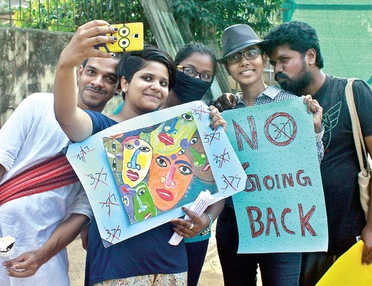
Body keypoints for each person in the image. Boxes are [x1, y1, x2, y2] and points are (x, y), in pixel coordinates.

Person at [52, 20, 226, 285]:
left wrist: (206, 219)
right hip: (113, 269)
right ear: (124, 83)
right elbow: (66, 116)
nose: (156, 86)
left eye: (163, 82)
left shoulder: (182, 134)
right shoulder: (101, 128)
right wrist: (65, 64)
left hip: (170, 265)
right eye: (147, 78)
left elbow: (217, 186)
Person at [0, 52, 120, 285]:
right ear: (79, 72)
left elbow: (83, 211)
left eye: (109, 78)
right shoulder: (38, 105)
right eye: (92, 72)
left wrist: (43, 255)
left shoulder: (108, 139)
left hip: (42, 249)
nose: (98, 82)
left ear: (118, 87)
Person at [260, 21, 372, 285]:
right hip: (295, 241)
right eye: (274, 63)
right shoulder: (280, 106)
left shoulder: (353, 93)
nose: (277, 70)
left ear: (310, 56)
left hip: (345, 240)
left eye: (284, 60)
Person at [212, 24, 324, 286]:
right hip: (235, 220)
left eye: (251, 53)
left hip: (283, 222)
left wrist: (315, 131)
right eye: (234, 58)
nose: (244, 63)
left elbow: (311, 166)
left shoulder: (293, 105)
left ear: (263, 58)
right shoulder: (221, 112)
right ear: (227, 68)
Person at [165, 41, 225, 286]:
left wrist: (206, 221)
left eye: (205, 76)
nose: (196, 79)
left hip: (193, 239)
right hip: (145, 236)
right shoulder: (144, 112)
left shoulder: (209, 121)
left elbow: (222, 183)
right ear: (174, 69)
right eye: (188, 71)